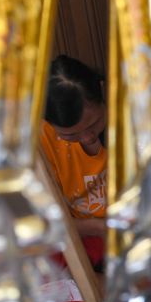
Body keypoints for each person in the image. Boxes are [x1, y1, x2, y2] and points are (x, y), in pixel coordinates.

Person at [41, 55, 109, 268]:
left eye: (95, 124)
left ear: (102, 91)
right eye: (71, 135)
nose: (88, 138)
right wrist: (95, 227)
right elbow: (41, 221)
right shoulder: (42, 138)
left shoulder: (127, 116)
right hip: (78, 233)